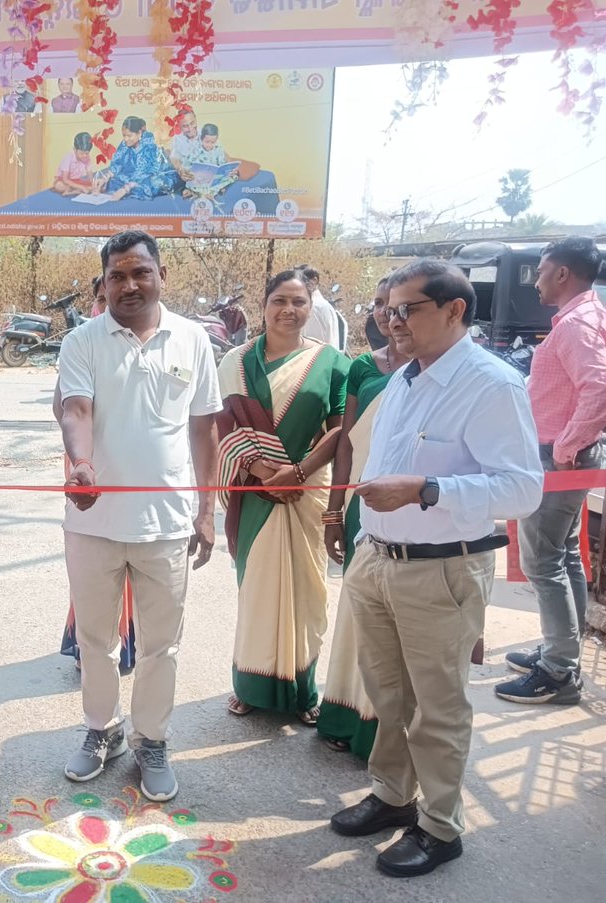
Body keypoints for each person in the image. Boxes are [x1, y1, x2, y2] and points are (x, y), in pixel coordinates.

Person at [330, 259, 542, 878]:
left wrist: (427, 490)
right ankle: (394, 795)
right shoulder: (405, 378)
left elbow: (522, 491)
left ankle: (441, 827)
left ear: (455, 311)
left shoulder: (491, 384)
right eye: (387, 309)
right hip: (379, 560)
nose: (391, 321)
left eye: (407, 309)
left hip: (441, 569)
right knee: (388, 695)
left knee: (439, 706)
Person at [59, 230, 221, 803]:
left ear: (161, 275)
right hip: (92, 520)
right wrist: (81, 463)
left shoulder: (194, 339)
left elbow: (204, 428)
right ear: (103, 284)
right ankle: (102, 731)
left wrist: (207, 509)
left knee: (161, 644)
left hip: (167, 522)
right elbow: (76, 407)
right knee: (96, 640)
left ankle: (152, 739)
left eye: (139, 273)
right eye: (116, 276)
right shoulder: (82, 340)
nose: (129, 284)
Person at [217, 270, 348, 724]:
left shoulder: (331, 362)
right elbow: (225, 430)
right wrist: (262, 472)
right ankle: (249, 686)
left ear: (311, 308)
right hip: (255, 493)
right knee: (255, 589)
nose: (288, 310)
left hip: (308, 491)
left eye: (298, 302)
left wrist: (298, 472)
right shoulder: (234, 361)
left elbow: (340, 431)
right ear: (263, 303)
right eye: (279, 300)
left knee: (306, 592)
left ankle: (303, 690)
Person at [496, 237, 606, 705]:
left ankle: (559, 671)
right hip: (567, 455)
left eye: (540, 270)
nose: (536, 279)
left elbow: (599, 388)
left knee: (546, 561)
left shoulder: (577, 324)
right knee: (563, 556)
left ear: (563, 274)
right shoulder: (582, 317)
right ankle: (562, 651)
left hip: (560, 456)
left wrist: (565, 446)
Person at [317, 278, 402, 758]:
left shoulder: (436, 371)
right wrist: (334, 511)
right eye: (379, 306)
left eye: (397, 307)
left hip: (413, 509)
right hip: (358, 508)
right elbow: (345, 443)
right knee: (356, 611)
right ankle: (345, 714)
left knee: (398, 623)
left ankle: (383, 731)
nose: (387, 316)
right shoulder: (364, 367)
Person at [57, 273, 137, 674]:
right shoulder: (84, 343)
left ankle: (128, 641)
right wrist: (82, 459)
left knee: (135, 560)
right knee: (95, 563)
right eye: (102, 302)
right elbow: (66, 408)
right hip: (87, 466)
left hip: (135, 470)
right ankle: (89, 645)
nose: (109, 309)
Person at [94, 117, 177, 201]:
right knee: (111, 182)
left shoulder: (150, 145)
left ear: (139, 133)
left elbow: (148, 174)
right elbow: (117, 163)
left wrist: (126, 188)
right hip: (133, 176)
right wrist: (105, 179)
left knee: (153, 184)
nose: (126, 139)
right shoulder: (125, 143)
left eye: (129, 135)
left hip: (156, 175)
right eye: (124, 135)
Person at [298, 265, 341, 350]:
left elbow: (311, 346)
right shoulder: (322, 305)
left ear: (314, 281)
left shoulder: (314, 307)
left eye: (300, 280)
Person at [53, 133, 95, 197]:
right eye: (81, 153)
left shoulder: (87, 158)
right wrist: (82, 187)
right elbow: (65, 179)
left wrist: (93, 184)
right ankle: (76, 190)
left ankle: (74, 191)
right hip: (64, 181)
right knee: (59, 185)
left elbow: (89, 173)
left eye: (87, 153)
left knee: (93, 186)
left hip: (76, 181)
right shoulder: (68, 158)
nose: (84, 156)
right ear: (75, 150)